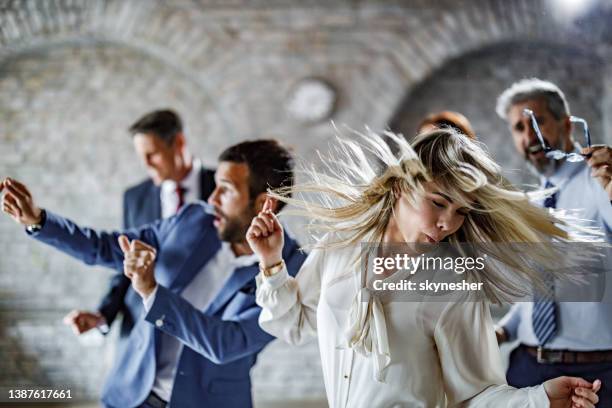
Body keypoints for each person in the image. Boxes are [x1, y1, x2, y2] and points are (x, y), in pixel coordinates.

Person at [245, 128, 601, 407]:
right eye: (439, 202)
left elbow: (475, 396)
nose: (448, 222)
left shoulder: (455, 284)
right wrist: (272, 262)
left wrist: (538, 400)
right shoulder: (339, 246)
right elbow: (293, 324)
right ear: (401, 184)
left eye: (462, 211)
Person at [0, 139, 306, 408]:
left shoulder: (288, 271)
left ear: (264, 203)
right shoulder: (193, 219)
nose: (212, 200)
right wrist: (38, 221)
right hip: (132, 393)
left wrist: (151, 291)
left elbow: (227, 343)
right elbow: (106, 247)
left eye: (225, 190)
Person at [495, 78, 612, 404]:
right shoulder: (532, 203)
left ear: (565, 123)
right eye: (519, 127)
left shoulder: (600, 182)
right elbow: (537, 291)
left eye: (537, 121)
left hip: (596, 377)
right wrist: (505, 329)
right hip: (525, 369)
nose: (529, 135)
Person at [64, 109, 216, 339]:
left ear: (179, 142)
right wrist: (102, 315)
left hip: (206, 325)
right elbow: (125, 263)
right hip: (144, 329)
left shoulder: (223, 188)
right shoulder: (135, 198)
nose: (146, 164)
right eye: (141, 156)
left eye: (152, 154)